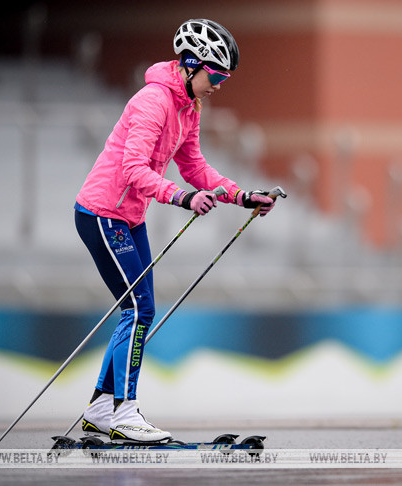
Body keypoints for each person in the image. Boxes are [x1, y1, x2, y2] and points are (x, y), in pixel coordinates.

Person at [73, 19, 276, 443]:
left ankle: (100, 409)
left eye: (224, 78)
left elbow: (195, 167)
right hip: (102, 213)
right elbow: (133, 170)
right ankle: (124, 413)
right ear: (189, 65)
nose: (218, 85)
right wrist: (182, 199)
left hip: (128, 216)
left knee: (138, 308)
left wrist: (242, 196)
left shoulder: (189, 106)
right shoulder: (153, 101)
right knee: (139, 309)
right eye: (215, 75)